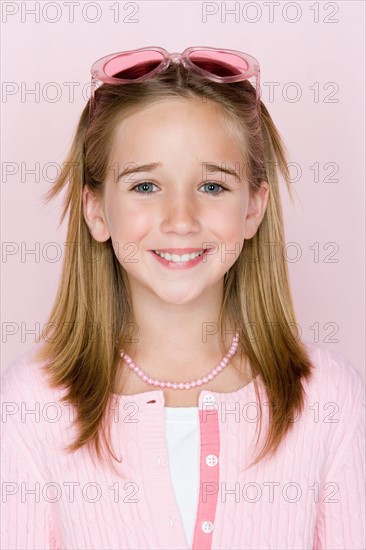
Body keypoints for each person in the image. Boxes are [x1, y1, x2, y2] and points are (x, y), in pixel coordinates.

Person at [1, 46, 365, 550]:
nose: (180, 219)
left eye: (213, 186)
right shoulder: (32, 404)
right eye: (146, 185)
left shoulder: (328, 399)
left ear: (253, 209)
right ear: (96, 211)